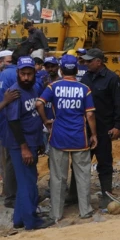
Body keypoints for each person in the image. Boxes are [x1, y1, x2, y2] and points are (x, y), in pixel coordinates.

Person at [37, 55, 97, 221]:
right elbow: (90, 114)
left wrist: (46, 121)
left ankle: (56, 213)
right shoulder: (84, 89)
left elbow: (39, 103)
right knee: (83, 175)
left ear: (61, 70)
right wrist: (94, 135)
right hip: (80, 138)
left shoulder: (53, 87)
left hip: (59, 137)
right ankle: (85, 210)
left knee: (58, 177)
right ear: (77, 70)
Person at [5, 56, 51, 230]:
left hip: (32, 141)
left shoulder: (32, 89)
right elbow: (14, 122)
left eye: (29, 74)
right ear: (17, 73)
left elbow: (33, 116)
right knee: (28, 183)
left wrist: (38, 141)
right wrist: (24, 148)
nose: (26, 77)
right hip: (21, 145)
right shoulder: (15, 93)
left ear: (34, 73)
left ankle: (19, 219)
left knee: (26, 181)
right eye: (23, 74)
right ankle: (32, 222)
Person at [79, 48, 120, 208]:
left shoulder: (112, 79)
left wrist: (118, 126)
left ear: (99, 61)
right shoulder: (86, 77)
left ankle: (107, 195)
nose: (86, 63)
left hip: (105, 129)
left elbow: (119, 103)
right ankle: (75, 195)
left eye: (89, 61)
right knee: (81, 162)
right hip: (86, 129)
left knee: (104, 162)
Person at [0, 50, 20, 209]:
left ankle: (10, 193)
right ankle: (13, 194)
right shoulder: (14, 74)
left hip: (6, 124)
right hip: (12, 123)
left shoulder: (4, 75)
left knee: (8, 160)